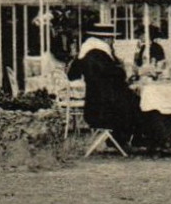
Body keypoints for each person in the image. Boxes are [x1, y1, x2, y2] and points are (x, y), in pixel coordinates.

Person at [66, 20, 164, 150]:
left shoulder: (87, 53)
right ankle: (157, 140)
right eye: (112, 39)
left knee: (137, 102)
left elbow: (74, 74)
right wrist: (124, 70)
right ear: (106, 39)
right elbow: (115, 75)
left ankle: (124, 140)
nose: (113, 42)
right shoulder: (98, 55)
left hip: (96, 105)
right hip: (105, 109)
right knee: (146, 105)